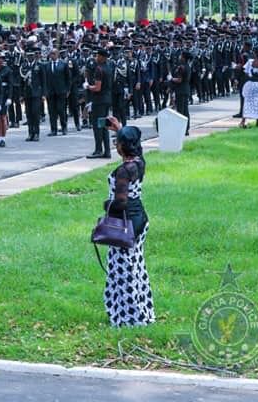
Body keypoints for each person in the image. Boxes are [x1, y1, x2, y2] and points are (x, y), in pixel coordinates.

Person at [101, 116, 154, 327]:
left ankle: (128, 317)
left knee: (123, 270)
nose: (116, 145)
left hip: (125, 224)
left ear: (123, 146)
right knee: (136, 266)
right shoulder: (139, 162)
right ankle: (142, 311)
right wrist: (120, 129)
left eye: (117, 142)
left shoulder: (124, 170)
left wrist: (107, 206)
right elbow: (133, 146)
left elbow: (121, 202)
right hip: (140, 219)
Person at [85, 48, 113, 159]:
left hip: (99, 101)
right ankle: (107, 151)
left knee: (98, 126)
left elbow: (97, 88)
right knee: (105, 125)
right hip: (107, 99)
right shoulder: (108, 67)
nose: (96, 58)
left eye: (98, 56)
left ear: (102, 57)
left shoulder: (99, 70)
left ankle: (98, 150)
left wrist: (88, 86)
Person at [44, 48, 71, 135]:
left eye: (54, 54)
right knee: (52, 111)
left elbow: (68, 78)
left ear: (57, 54)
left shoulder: (63, 64)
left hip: (61, 91)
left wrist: (67, 90)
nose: (52, 55)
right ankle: (53, 129)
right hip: (50, 92)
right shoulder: (47, 65)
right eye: (51, 54)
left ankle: (64, 127)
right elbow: (45, 79)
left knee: (61, 110)